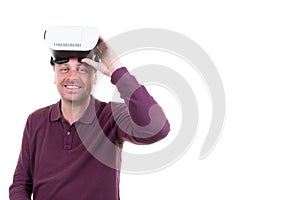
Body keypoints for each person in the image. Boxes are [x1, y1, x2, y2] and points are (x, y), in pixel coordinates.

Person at [9, 32, 170, 200]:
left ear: (94, 78)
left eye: (83, 70)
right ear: (54, 76)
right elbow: (21, 183)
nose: (73, 77)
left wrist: (116, 68)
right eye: (64, 69)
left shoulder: (112, 116)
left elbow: (157, 128)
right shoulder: (35, 120)